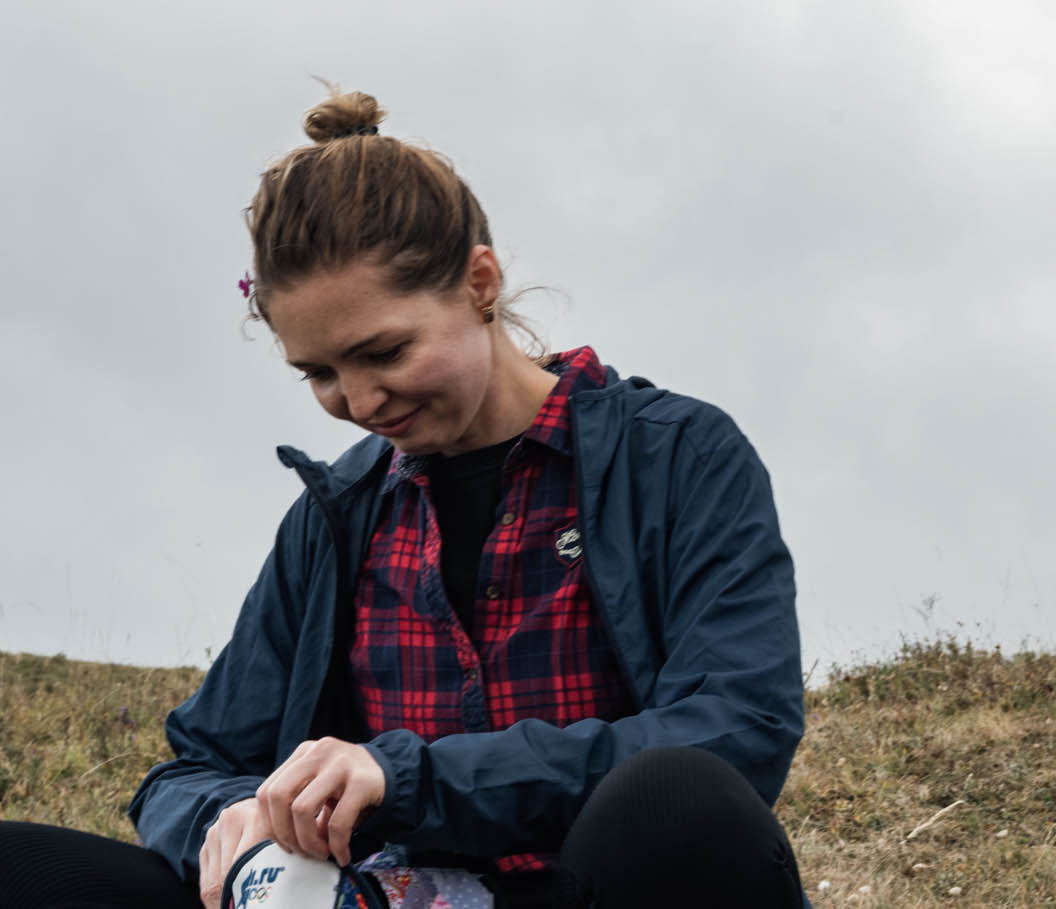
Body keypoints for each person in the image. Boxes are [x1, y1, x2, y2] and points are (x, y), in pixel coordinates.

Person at [0, 89, 807, 908]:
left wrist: (404, 775)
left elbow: (737, 729)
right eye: (318, 371)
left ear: (479, 282)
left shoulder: (677, 456)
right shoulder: (338, 512)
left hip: (594, 889)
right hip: (371, 897)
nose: (358, 400)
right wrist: (233, 817)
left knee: (676, 801)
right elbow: (192, 763)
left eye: (384, 350)